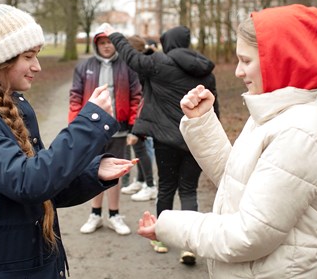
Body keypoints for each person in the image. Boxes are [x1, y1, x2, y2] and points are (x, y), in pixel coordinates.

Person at [0, 0, 134, 278]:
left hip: (23, 261)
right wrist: (90, 122)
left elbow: (44, 184)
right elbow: (29, 182)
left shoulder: (14, 105)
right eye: (28, 56)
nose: (37, 66)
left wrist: (94, 173)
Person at [137, 4, 317, 278]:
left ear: (280, 60)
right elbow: (238, 181)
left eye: (246, 61)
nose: (237, 71)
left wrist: (169, 226)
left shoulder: (298, 133)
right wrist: (202, 124)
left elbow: (249, 235)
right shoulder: (273, 112)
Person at [103, 24, 219, 263]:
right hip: (195, 140)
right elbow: (214, 108)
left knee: (166, 188)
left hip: (166, 140)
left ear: (167, 42)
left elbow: (131, 57)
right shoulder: (206, 71)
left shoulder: (159, 63)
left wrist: (114, 34)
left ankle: (161, 238)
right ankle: (189, 246)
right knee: (188, 190)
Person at [69, 25, 142, 236]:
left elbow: (136, 96)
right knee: (93, 170)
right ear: (96, 45)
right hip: (92, 129)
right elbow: (75, 96)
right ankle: (95, 214)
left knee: (114, 172)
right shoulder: (84, 68)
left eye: (109, 42)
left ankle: (114, 214)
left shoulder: (127, 67)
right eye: (102, 43)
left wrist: (133, 126)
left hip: (118, 129)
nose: (107, 46)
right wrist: (75, 126)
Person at [121, 35, 157, 202]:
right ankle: (141, 181)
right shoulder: (141, 62)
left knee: (141, 147)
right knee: (139, 148)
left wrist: (136, 120)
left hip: (143, 113)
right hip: (140, 112)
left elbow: (140, 95)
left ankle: (150, 186)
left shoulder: (140, 66)